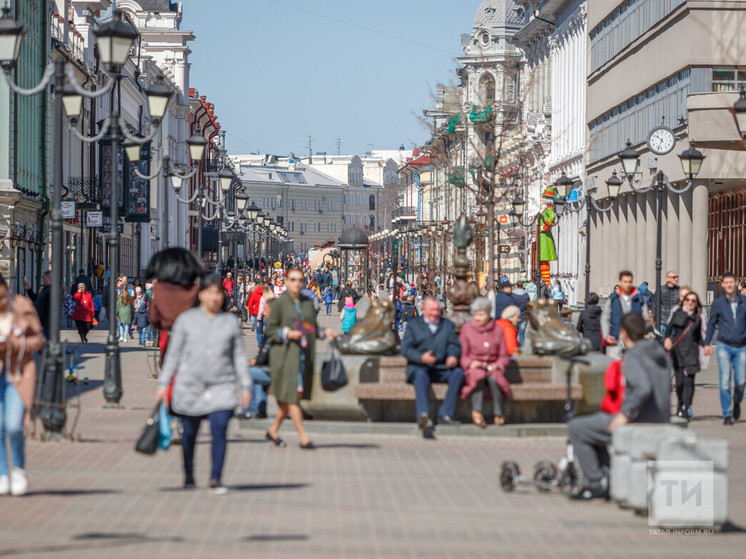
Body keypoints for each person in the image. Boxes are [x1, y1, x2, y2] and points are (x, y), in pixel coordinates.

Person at [157, 276, 250, 493]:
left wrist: (245, 385)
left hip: (222, 387)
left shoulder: (229, 322)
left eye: (218, 293)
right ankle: (189, 473)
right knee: (189, 434)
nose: (214, 297)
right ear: (201, 295)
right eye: (209, 292)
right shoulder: (186, 320)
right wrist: (164, 384)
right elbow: (173, 355)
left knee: (219, 429)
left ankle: (215, 478)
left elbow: (238, 356)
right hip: (190, 387)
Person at [567, 312, 670, 500]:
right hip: (661, 418)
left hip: (639, 421)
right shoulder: (658, 352)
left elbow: (642, 387)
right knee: (594, 428)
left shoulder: (634, 356)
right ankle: (611, 479)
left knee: (577, 427)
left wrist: (625, 414)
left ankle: (596, 484)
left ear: (623, 333)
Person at [265, 268, 337, 449]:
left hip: (304, 355)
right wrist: (287, 334)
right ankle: (304, 437)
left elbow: (306, 326)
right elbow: (270, 330)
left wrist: (323, 331)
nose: (296, 283)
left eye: (300, 280)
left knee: (293, 396)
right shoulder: (281, 304)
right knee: (294, 397)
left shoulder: (305, 303)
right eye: (292, 279)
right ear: (286, 281)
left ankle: (273, 429)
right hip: (286, 356)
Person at [0, 274, 45, 496]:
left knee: (13, 426)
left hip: (17, 374)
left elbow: (38, 339)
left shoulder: (21, 305)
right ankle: (2, 474)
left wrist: (15, 343)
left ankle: (18, 468)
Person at [400, 296, 464, 439]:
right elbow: (406, 349)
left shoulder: (447, 325)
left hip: (442, 367)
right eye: (432, 310)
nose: (435, 313)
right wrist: (421, 357)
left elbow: (454, 344)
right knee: (420, 377)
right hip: (420, 367)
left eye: (437, 310)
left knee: (458, 373)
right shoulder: (414, 325)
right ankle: (423, 415)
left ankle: (445, 414)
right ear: (423, 309)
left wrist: (453, 356)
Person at [459, 297, 511, 428]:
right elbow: (463, 354)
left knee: (495, 378)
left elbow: (504, 355)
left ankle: (499, 413)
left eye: (481, 314)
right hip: (475, 366)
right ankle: (476, 411)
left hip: (492, 366)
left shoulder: (498, 330)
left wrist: (498, 365)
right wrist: (470, 363)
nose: (477, 317)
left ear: (488, 314)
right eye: (475, 314)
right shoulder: (467, 329)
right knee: (478, 376)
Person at [703, 272, 746, 425]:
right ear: (722, 285)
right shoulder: (718, 303)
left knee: (741, 382)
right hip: (724, 345)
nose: (728, 285)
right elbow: (711, 323)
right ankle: (727, 414)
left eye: (731, 282)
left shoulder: (744, 301)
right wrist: (706, 343)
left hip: (741, 346)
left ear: (736, 283)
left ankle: (737, 401)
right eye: (725, 282)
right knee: (725, 380)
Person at [664, 290, 705, 420]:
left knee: (689, 382)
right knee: (680, 382)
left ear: (697, 303)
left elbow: (698, 336)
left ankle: (687, 407)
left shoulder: (698, 317)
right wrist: (667, 339)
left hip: (692, 352)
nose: (690, 303)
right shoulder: (677, 314)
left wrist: (706, 345)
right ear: (683, 301)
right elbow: (668, 330)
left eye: (693, 301)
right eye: (688, 300)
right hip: (678, 352)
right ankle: (680, 403)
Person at [601, 270, 648, 359]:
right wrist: (606, 335)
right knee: (615, 367)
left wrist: (641, 334)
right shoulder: (613, 298)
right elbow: (605, 318)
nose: (628, 284)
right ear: (620, 282)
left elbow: (645, 318)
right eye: (625, 282)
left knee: (634, 368)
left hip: (634, 340)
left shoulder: (639, 298)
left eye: (630, 282)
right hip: (616, 340)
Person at [656, 271, 680, 336]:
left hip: (675, 323)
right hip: (662, 322)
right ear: (668, 278)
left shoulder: (679, 290)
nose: (676, 279)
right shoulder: (661, 290)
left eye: (677, 277)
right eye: (674, 277)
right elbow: (655, 306)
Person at [32, 271, 52, 340]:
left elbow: (47, 309)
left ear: (48, 279)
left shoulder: (49, 291)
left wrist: (41, 322)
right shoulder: (46, 290)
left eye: (43, 278)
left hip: (45, 325)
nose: (42, 280)